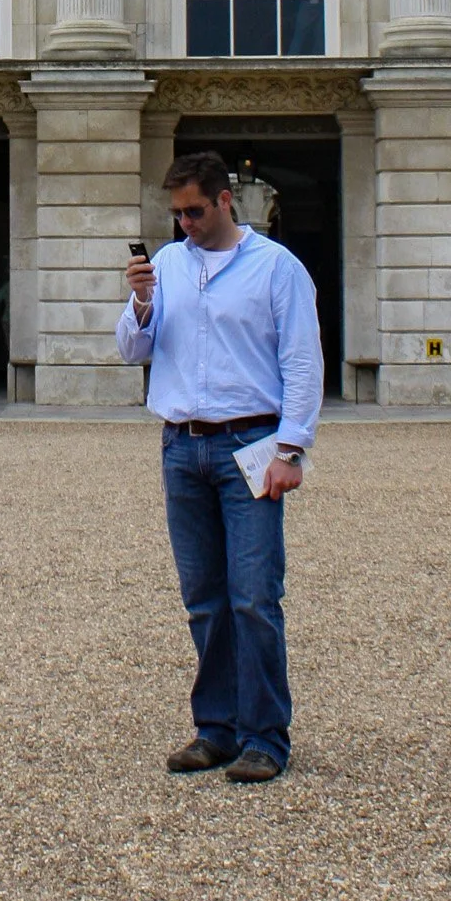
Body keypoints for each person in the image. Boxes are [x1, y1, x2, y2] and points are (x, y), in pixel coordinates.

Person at [117, 151, 323, 784]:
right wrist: (141, 305)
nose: (184, 224)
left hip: (251, 445)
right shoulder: (167, 267)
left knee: (256, 596)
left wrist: (292, 449)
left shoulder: (276, 268)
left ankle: (265, 736)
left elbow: (302, 362)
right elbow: (132, 352)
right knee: (203, 599)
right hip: (181, 445)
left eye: (194, 211)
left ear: (225, 200)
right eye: (176, 213)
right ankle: (216, 729)